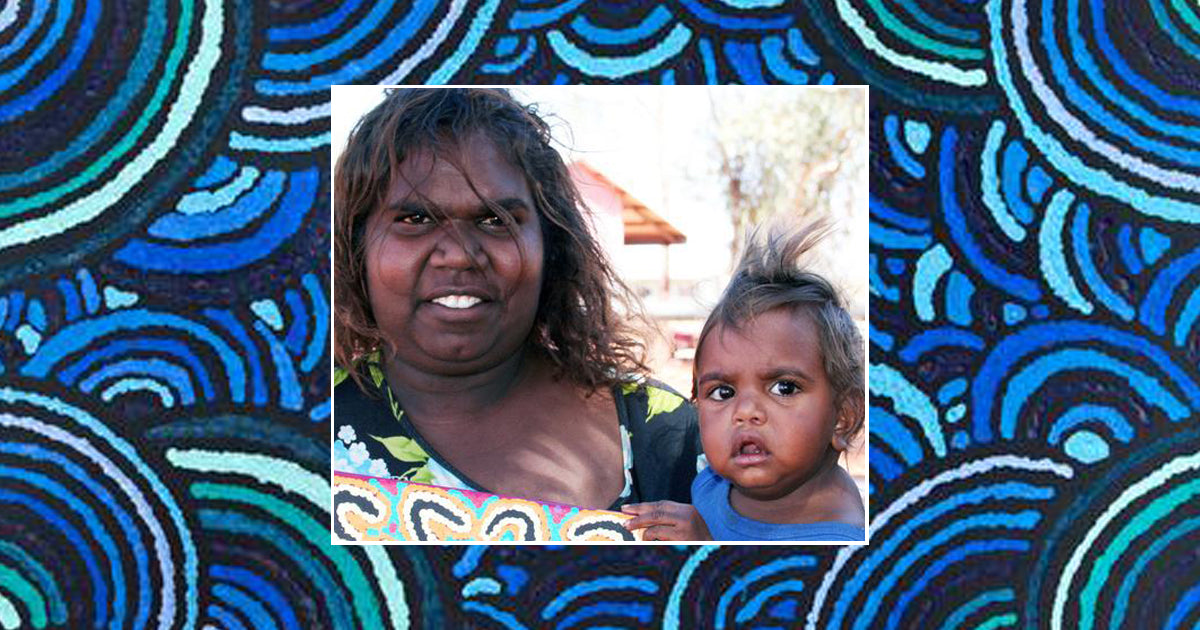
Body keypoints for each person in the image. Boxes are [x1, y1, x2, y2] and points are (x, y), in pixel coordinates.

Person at [332, 88, 701, 512]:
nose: (460, 254)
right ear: (356, 246)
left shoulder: (665, 434)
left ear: (551, 246)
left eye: (496, 220)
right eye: (415, 219)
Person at [623, 220, 866, 541]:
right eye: (723, 392)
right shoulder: (711, 483)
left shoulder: (838, 536)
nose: (745, 411)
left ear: (843, 417)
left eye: (784, 387)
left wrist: (705, 547)